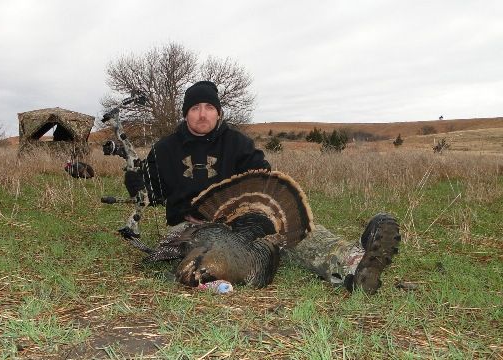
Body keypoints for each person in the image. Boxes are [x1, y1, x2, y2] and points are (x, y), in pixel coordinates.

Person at [124, 80, 401, 294]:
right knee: (202, 260)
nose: (202, 114)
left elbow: (263, 180)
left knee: (292, 230)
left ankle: (354, 264)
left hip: (240, 222)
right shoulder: (164, 149)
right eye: (195, 108)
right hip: (190, 226)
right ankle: (229, 267)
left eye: (209, 108)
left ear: (218, 112)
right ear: (186, 114)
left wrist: (256, 217)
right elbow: (149, 195)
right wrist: (134, 183)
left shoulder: (238, 143)